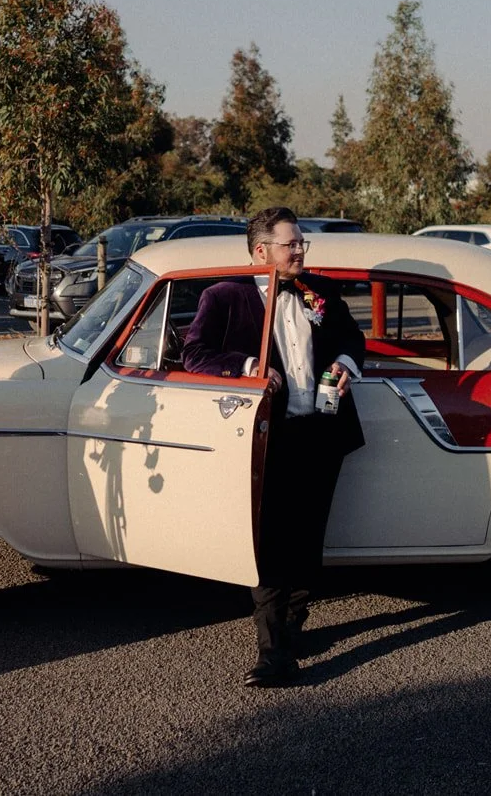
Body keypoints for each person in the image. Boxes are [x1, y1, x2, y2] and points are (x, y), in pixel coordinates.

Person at [182, 206, 366, 687]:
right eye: (292, 243)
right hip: (265, 438)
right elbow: (195, 353)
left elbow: (352, 336)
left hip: (322, 432)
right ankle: (271, 654)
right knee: (266, 544)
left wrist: (346, 361)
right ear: (261, 251)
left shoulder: (320, 291)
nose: (301, 250)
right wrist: (247, 367)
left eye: (303, 242)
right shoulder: (224, 296)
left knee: (308, 539)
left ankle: (292, 630)